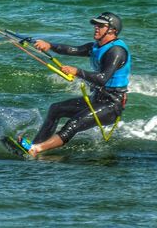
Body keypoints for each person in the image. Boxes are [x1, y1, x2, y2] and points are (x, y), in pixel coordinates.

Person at [18, 12, 131, 157]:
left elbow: (102, 78)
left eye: (101, 26)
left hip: (111, 105)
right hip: (96, 100)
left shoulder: (116, 51)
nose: (96, 28)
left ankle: (36, 150)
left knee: (74, 123)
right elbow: (72, 49)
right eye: (96, 25)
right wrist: (49, 45)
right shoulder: (95, 47)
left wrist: (76, 71)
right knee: (56, 109)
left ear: (112, 30)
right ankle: (35, 145)